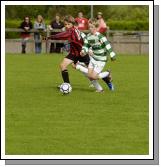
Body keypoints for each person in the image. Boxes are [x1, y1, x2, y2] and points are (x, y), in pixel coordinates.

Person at [49, 15, 103, 92]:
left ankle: (106, 77)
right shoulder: (72, 30)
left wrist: (48, 37)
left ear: (73, 24)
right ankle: (67, 84)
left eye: (68, 24)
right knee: (62, 65)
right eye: (65, 24)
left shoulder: (72, 31)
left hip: (82, 53)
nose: (67, 26)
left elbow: (60, 36)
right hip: (74, 53)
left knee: (91, 73)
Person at [76, 18, 116, 91]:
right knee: (89, 76)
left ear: (96, 28)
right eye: (89, 27)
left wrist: (112, 55)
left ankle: (107, 73)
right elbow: (86, 45)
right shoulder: (88, 36)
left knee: (94, 77)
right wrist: (83, 51)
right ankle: (100, 90)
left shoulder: (100, 36)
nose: (90, 29)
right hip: (93, 58)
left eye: (92, 27)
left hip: (101, 59)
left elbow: (108, 45)